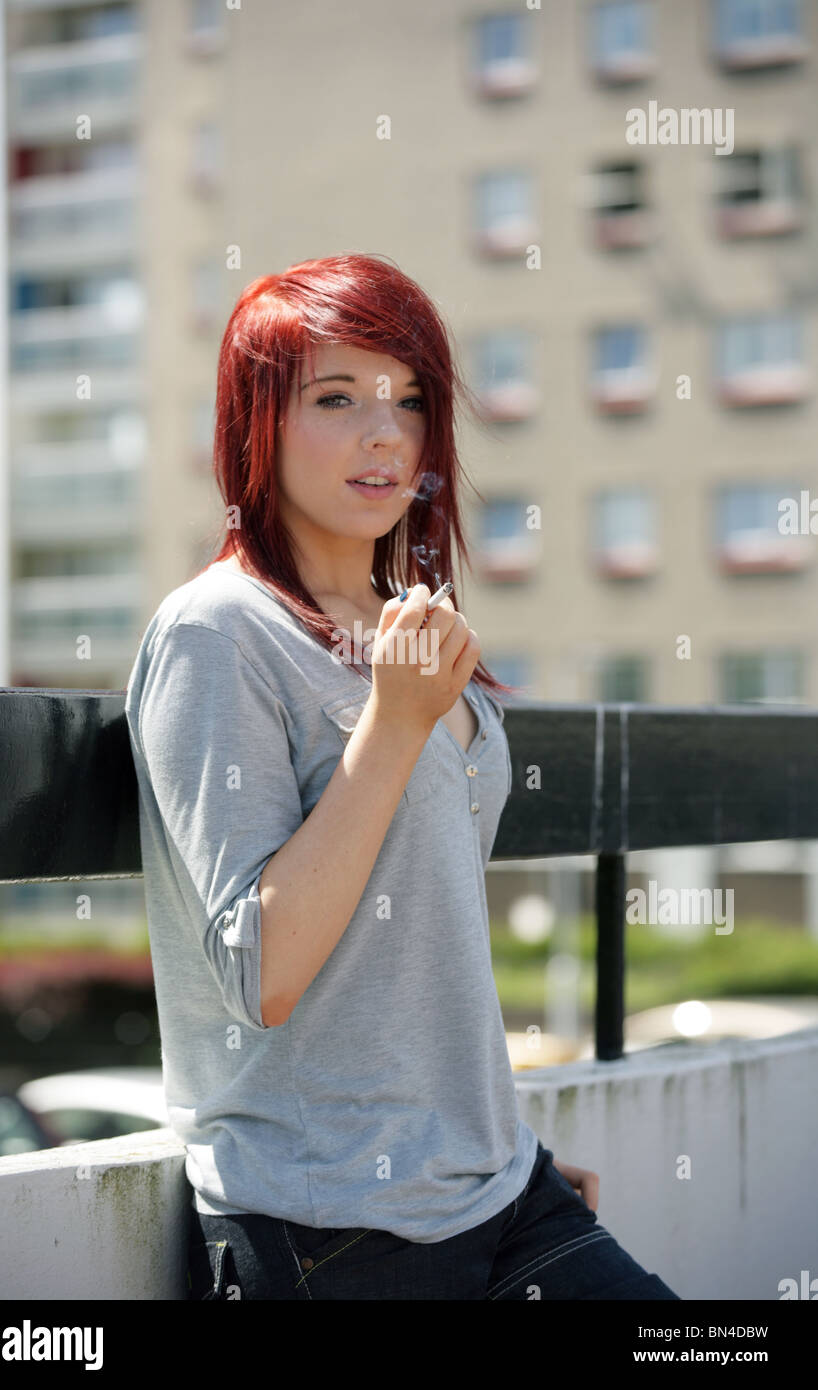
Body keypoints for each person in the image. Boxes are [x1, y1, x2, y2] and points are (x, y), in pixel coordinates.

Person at [123, 252, 679, 1300]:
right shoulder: (216, 634)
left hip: (496, 1193)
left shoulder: (406, 629)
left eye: (408, 400)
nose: (385, 434)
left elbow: (422, 939)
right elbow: (264, 972)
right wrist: (390, 722)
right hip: (325, 1225)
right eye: (337, 397)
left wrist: (484, 1141)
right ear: (258, 422)